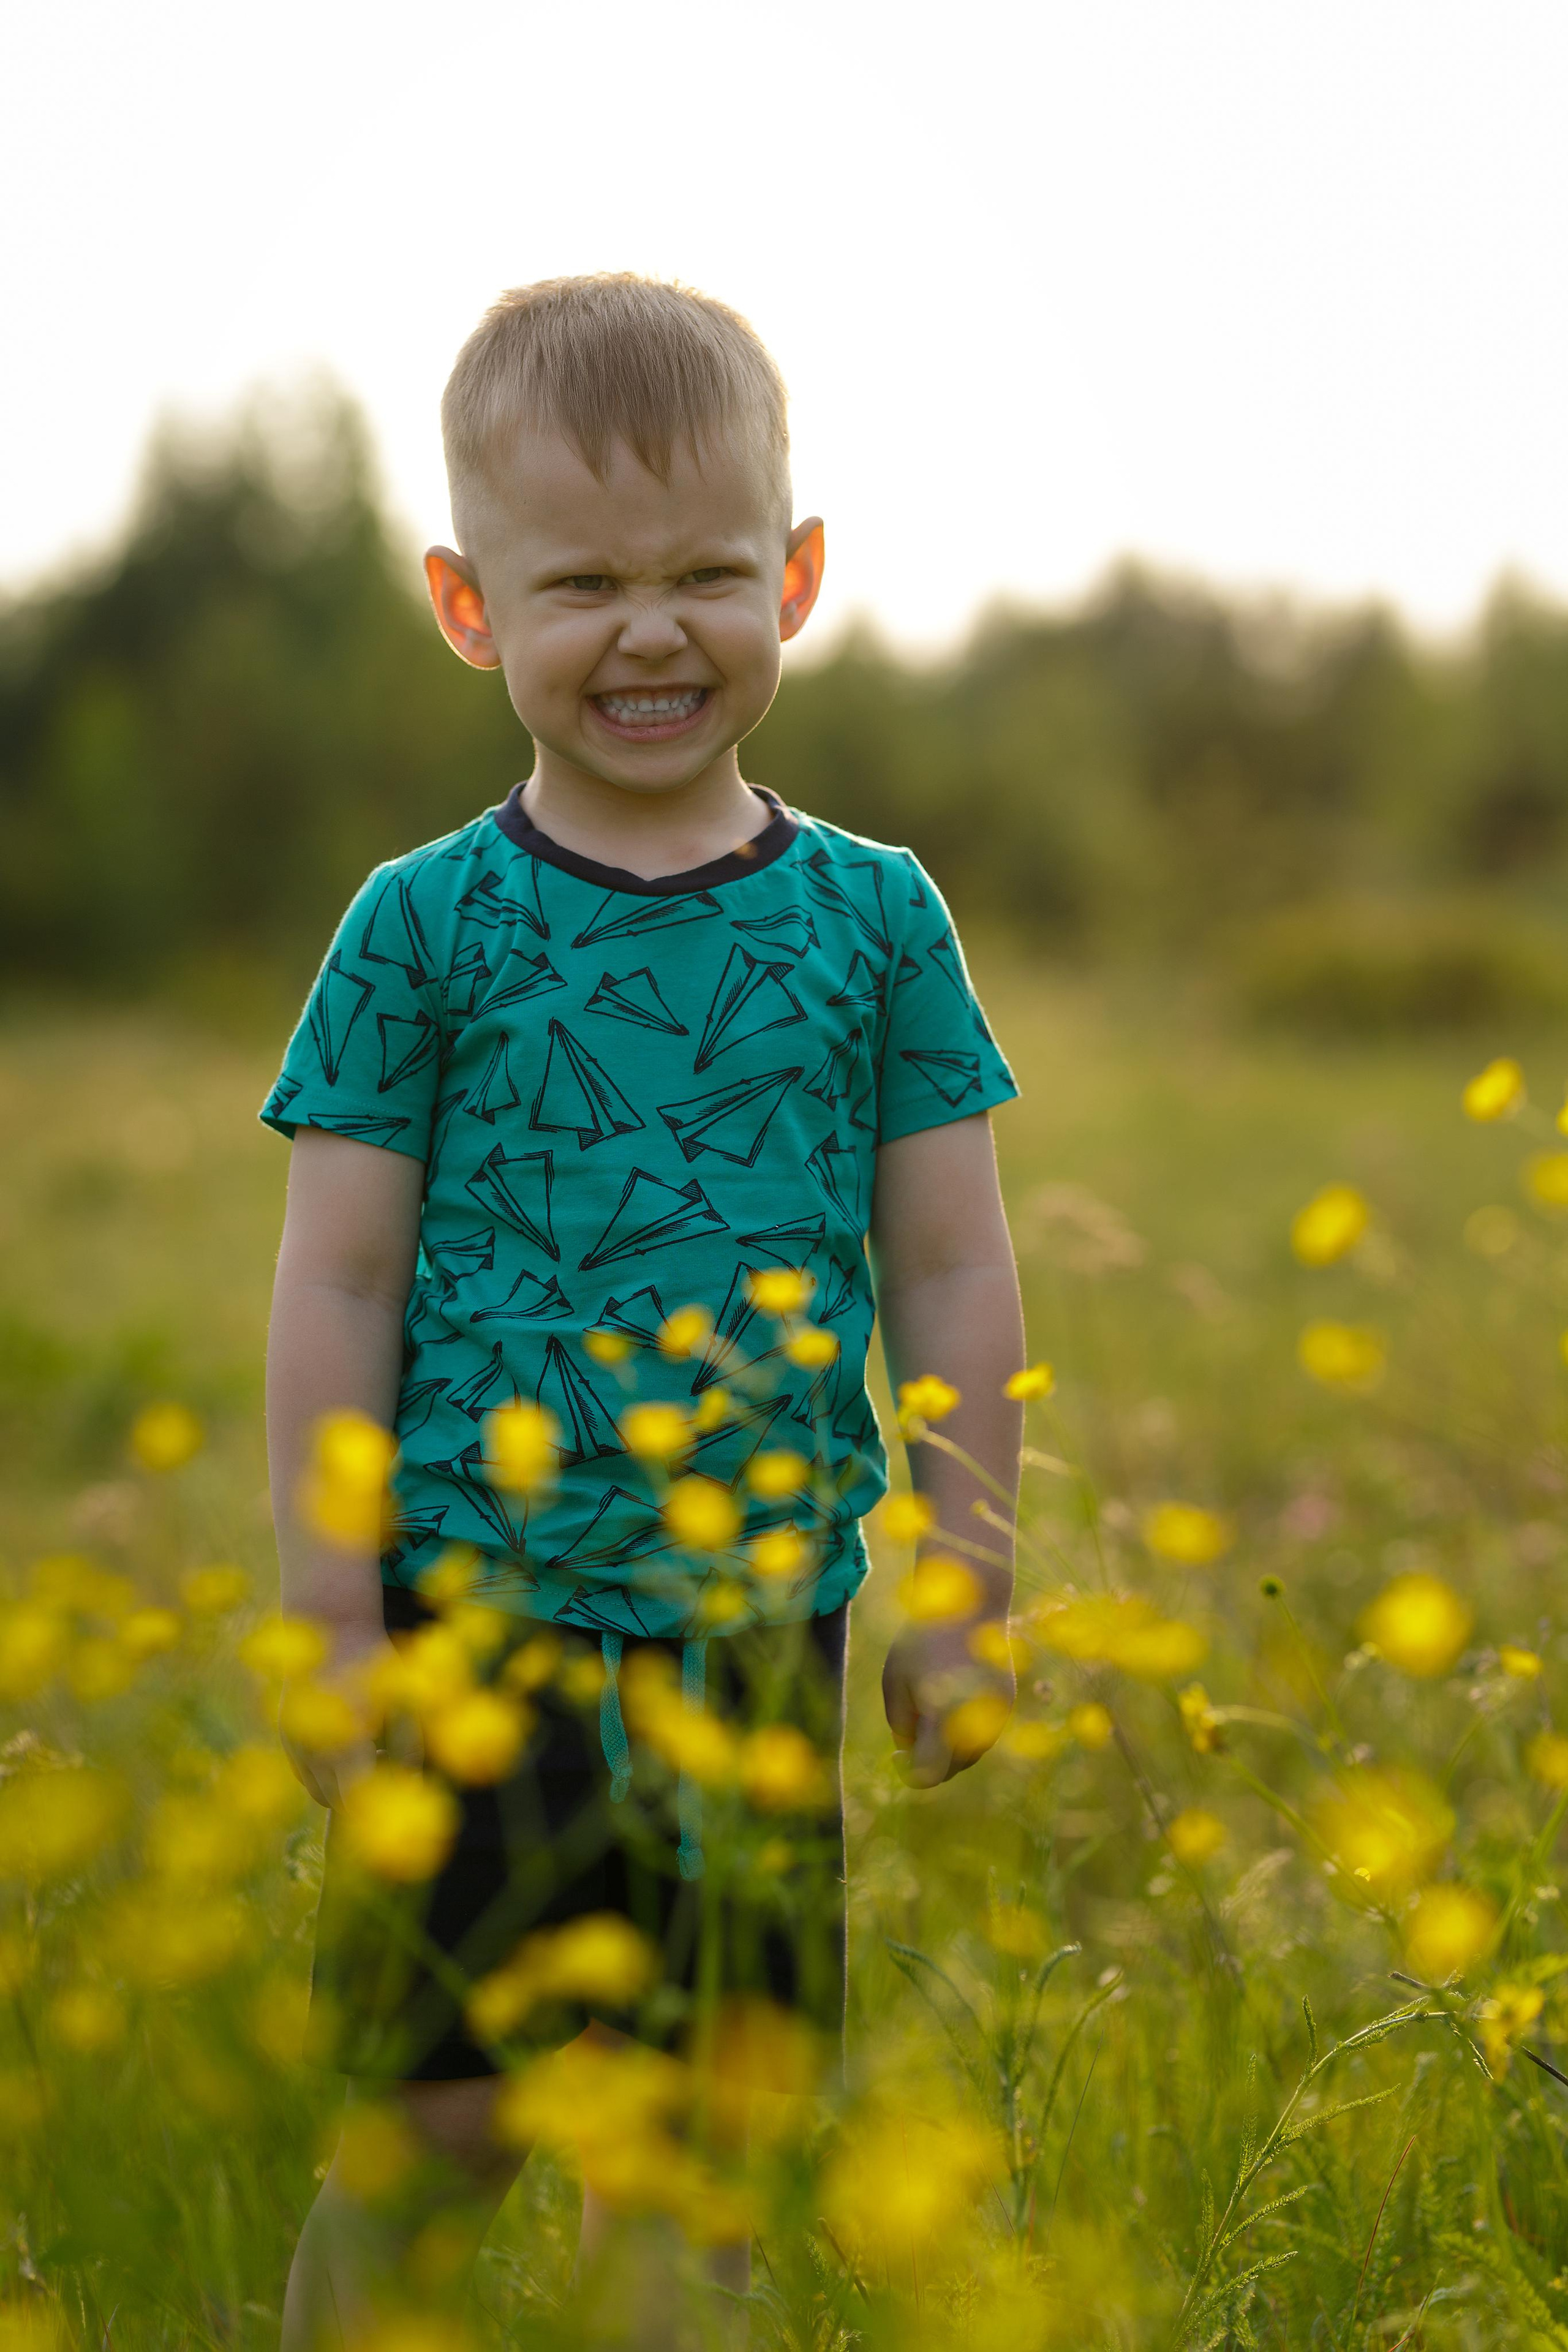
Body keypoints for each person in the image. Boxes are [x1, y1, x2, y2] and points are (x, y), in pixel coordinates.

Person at [262, 273, 1025, 2345]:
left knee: (697, 2167)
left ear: (793, 580)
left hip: (757, 1620)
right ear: (468, 605)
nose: (652, 629)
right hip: (469, 1626)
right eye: (581, 580)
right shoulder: (419, 928)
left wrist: (965, 1573)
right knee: (427, 2126)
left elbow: (951, 1261)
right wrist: (329, 1612)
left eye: (705, 572)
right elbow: (336, 1279)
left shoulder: (876, 919)